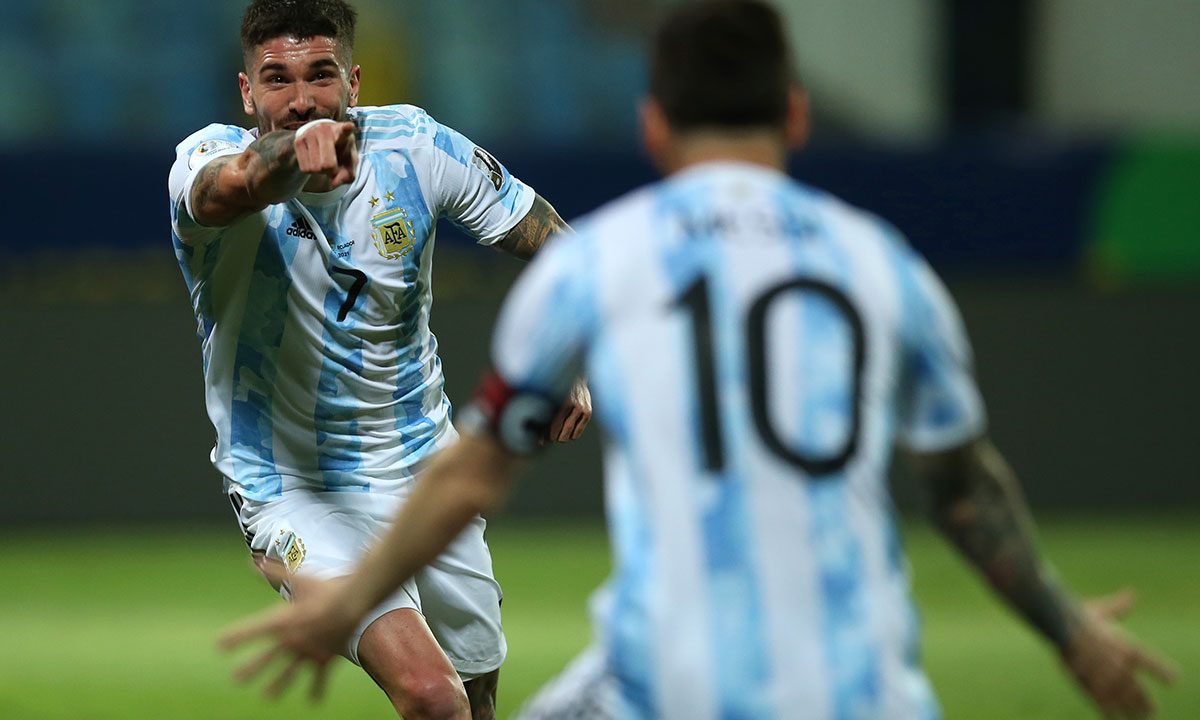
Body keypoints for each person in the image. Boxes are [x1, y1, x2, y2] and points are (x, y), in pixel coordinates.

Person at [217, 1, 1177, 718]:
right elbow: (963, 491)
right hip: (866, 687)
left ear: (654, 126)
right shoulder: (884, 268)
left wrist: (334, 600)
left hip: (663, 675)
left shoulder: (604, 264)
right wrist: (1072, 629)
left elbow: (475, 470)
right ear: (796, 117)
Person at [168, 0, 591, 717]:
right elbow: (231, 188)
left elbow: (563, 246)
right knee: (433, 696)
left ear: (355, 82)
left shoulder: (416, 148)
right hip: (292, 487)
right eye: (276, 79)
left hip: (428, 473)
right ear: (246, 94)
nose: (301, 101)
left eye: (320, 75)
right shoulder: (206, 160)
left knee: (475, 696)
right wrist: (289, 158)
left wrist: (568, 352)